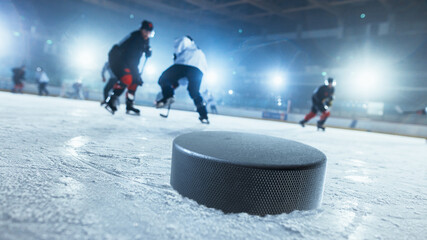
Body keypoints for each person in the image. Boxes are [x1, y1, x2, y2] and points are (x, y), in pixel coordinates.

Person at [156, 36, 209, 123]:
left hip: (184, 64)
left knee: (163, 78)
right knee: (194, 91)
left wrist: (176, 55)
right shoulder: (200, 52)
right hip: (198, 70)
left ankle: (168, 96)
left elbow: (183, 41)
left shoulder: (187, 41)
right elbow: (183, 81)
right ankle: (203, 114)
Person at [104, 20, 153, 115]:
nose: (147, 34)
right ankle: (111, 101)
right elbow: (131, 58)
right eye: (146, 31)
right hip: (117, 59)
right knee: (127, 78)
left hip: (128, 62)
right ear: (141, 30)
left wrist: (148, 51)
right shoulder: (135, 37)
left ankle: (129, 105)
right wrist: (136, 72)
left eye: (149, 32)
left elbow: (142, 52)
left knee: (135, 81)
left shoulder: (145, 40)